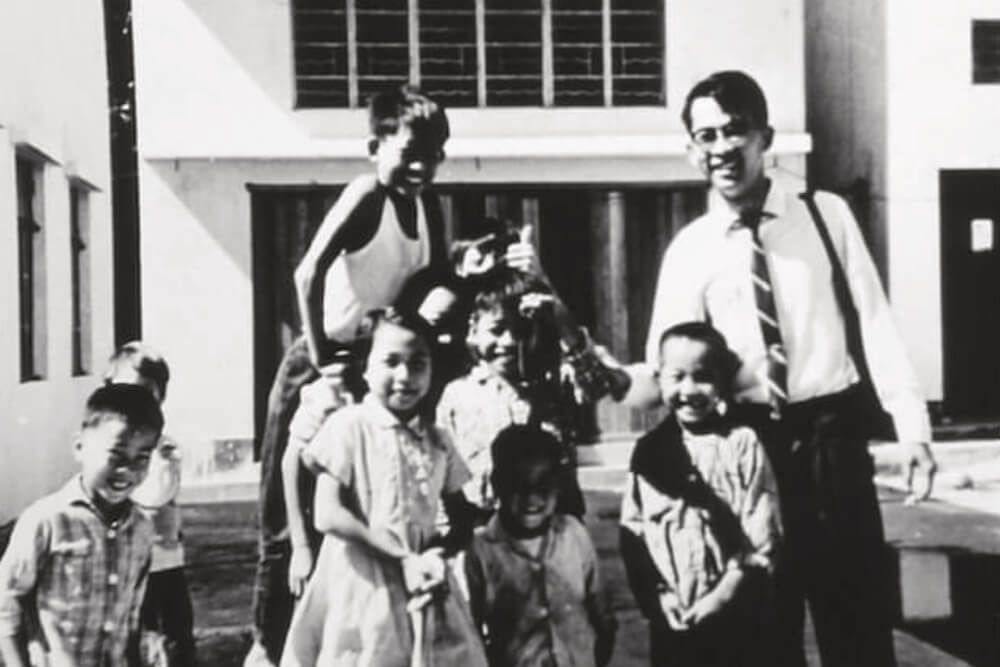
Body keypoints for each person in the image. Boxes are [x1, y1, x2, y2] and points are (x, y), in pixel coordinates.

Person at [630, 69, 937, 665]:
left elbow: (875, 323)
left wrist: (914, 429)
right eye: (706, 135)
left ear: (764, 137)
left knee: (856, 627)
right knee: (764, 634)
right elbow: (661, 369)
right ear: (692, 149)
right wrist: (609, 378)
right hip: (746, 452)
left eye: (734, 131)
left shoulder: (824, 215)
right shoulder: (689, 250)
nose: (721, 147)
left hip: (830, 441)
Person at [246, 84, 452, 666]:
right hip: (325, 362)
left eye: (434, 154)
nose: (420, 166)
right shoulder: (368, 194)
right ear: (374, 146)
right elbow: (306, 274)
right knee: (285, 525)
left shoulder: (427, 206)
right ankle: (266, 647)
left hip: (378, 371)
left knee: (360, 521)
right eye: (409, 151)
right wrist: (319, 358)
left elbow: (431, 284)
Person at [280, 308, 486, 667]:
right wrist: (401, 557)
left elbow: (460, 516)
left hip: (422, 580)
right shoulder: (350, 426)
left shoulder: (437, 440)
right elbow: (327, 514)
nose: (405, 376)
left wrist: (439, 554)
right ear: (366, 367)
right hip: (361, 578)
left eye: (418, 363)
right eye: (391, 362)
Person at [620, 322, 781, 666]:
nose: (689, 390)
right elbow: (634, 533)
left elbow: (761, 536)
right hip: (676, 616)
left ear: (722, 381)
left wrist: (722, 596)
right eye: (676, 377)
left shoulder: (742, 443)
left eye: (703, 376)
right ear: (659, 379)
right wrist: (659, 597)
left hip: (737, 613)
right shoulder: (649, 452)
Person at [0, 385, 164, 667]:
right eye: (116, 455)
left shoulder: (142, 529)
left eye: (142, 458)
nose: (127, 470)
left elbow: (133, 617)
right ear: (80, 447)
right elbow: (6, 604)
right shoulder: (46, 520)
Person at [436, 266, 592, 520]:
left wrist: (563, 323)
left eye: (520, 330)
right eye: (497, 330)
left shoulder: (556, 384)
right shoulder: (457, 397)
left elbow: (597, 385)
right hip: (484, 532)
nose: (509, 341)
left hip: (554, 533)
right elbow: (442, 475)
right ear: (473, 331)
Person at [464, 424, 617, 667]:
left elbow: (601, 611)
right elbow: (469, 632)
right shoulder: (482, 551)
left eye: (543, 486)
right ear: (497, 485)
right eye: (520, 486)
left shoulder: (573, 535)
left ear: (559, 486)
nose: (533, 499)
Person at [105, 341, 196, 666]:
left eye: (146, 394)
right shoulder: (104, 446)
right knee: (130, 640)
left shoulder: (163, 447)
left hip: (164, 562)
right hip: (122, 563)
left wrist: (165, 463)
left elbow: (158, 494)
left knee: (173, 640)